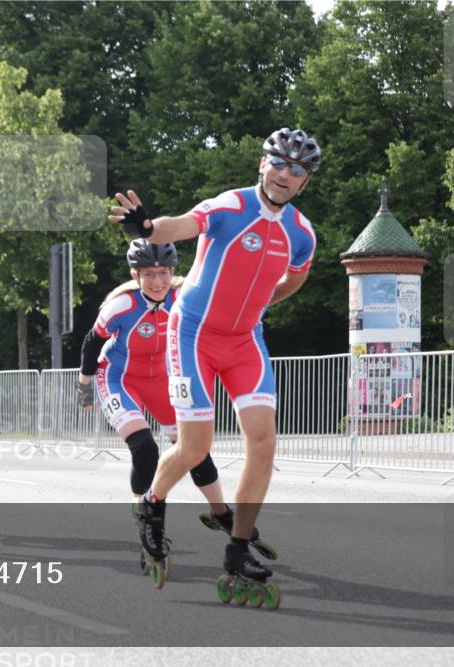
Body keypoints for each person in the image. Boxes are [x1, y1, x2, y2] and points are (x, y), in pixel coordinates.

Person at [110, 127, 319, 590]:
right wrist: (147, 228)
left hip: (245, 341)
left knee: (263, 441)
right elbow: (181, 225)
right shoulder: (232, 205)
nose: (285, 174)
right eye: (279, 163)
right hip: (193, 334)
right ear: (262, 164)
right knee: (195, 447)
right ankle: (151, 505)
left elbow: (296, 276)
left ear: (305, 181)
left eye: (297, 169)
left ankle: (237, 549)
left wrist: (264, 302)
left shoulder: (301, 233)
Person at [77, 240, 229, 534]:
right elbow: (92, 343)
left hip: (162, 379)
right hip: (119, 378)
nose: (157, 282)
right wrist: (83, 385)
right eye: (148, 274)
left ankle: (221, 512)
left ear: (172, 272)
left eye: (163, 273)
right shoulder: (122, 305)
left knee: (193, 448)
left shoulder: (184, 296)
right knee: (145, 447)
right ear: (135, 276)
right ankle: (143, 509)